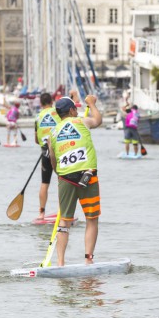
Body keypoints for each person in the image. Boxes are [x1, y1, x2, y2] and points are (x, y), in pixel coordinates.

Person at [49, 95, 103, 267]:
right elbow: (98, 120)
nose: (78, 111)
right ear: (72, 110)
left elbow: (52, 160)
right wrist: (91, 103)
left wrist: (60, 174)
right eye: (76, 109)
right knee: (91, 218)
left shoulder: (53, 133)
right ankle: (88, 259)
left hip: (65, 177)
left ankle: (60, 262)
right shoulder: (82, 122)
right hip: (87, 174)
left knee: (64, 221)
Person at [33, 92, 59, 219]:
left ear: (41, 104)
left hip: (45, 152)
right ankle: (63, 210)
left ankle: (41, 213)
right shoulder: (58, 112)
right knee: (62, 181)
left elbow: (36, 140)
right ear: (52, 102)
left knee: (44, 182)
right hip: (58, 151)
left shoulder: (38, 117)